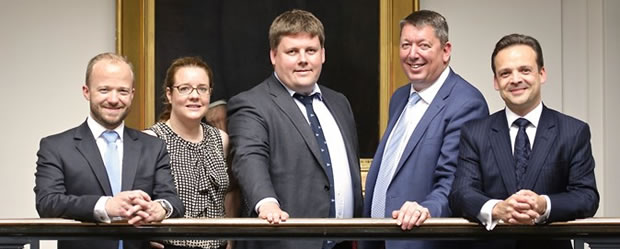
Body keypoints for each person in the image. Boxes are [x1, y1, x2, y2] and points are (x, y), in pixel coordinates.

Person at [227, 9, 363, 249]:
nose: (303, 59)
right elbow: (249, 158)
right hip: (284, 241)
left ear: (322, 54)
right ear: (273, 55)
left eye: (310, 50)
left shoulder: (340, 103)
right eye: (292, 51)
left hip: (344, 242)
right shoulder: (251, 104)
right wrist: (266, 203)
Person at [449, 33, 599, 249]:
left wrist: (542, 205)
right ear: (496, 81)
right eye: (505, 73)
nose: (516, 79)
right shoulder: (475, 133)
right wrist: (497, 209)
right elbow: (461, 194)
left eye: (525, 70)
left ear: (542, 73)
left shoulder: (573, 131)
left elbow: (586, 196)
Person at [362, 10, 489, 249]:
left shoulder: (466, 103)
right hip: (379, 237)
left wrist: (427, 209)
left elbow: (456, 180)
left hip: (420, 238)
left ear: (446, 50)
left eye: (423, 45)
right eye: (406, 45)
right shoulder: (400, 97)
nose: (412, 54)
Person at [34, 52, 184, 249]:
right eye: (104, 90)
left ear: (132, 94)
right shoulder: (56, 147)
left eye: (122, 91)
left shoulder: (153, 147)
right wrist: (105, 206)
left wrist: (160, 208)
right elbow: (47, 203)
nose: (114, 99)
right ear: (86, 91)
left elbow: (173, 200)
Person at [145, 57, 238, 249]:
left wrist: (229, 239)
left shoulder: (221, 139)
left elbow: (229, 193)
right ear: (169, 94)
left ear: (210, 94)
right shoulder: (151, 139)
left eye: (202, 89)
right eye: (185, 88)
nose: (194, 96)